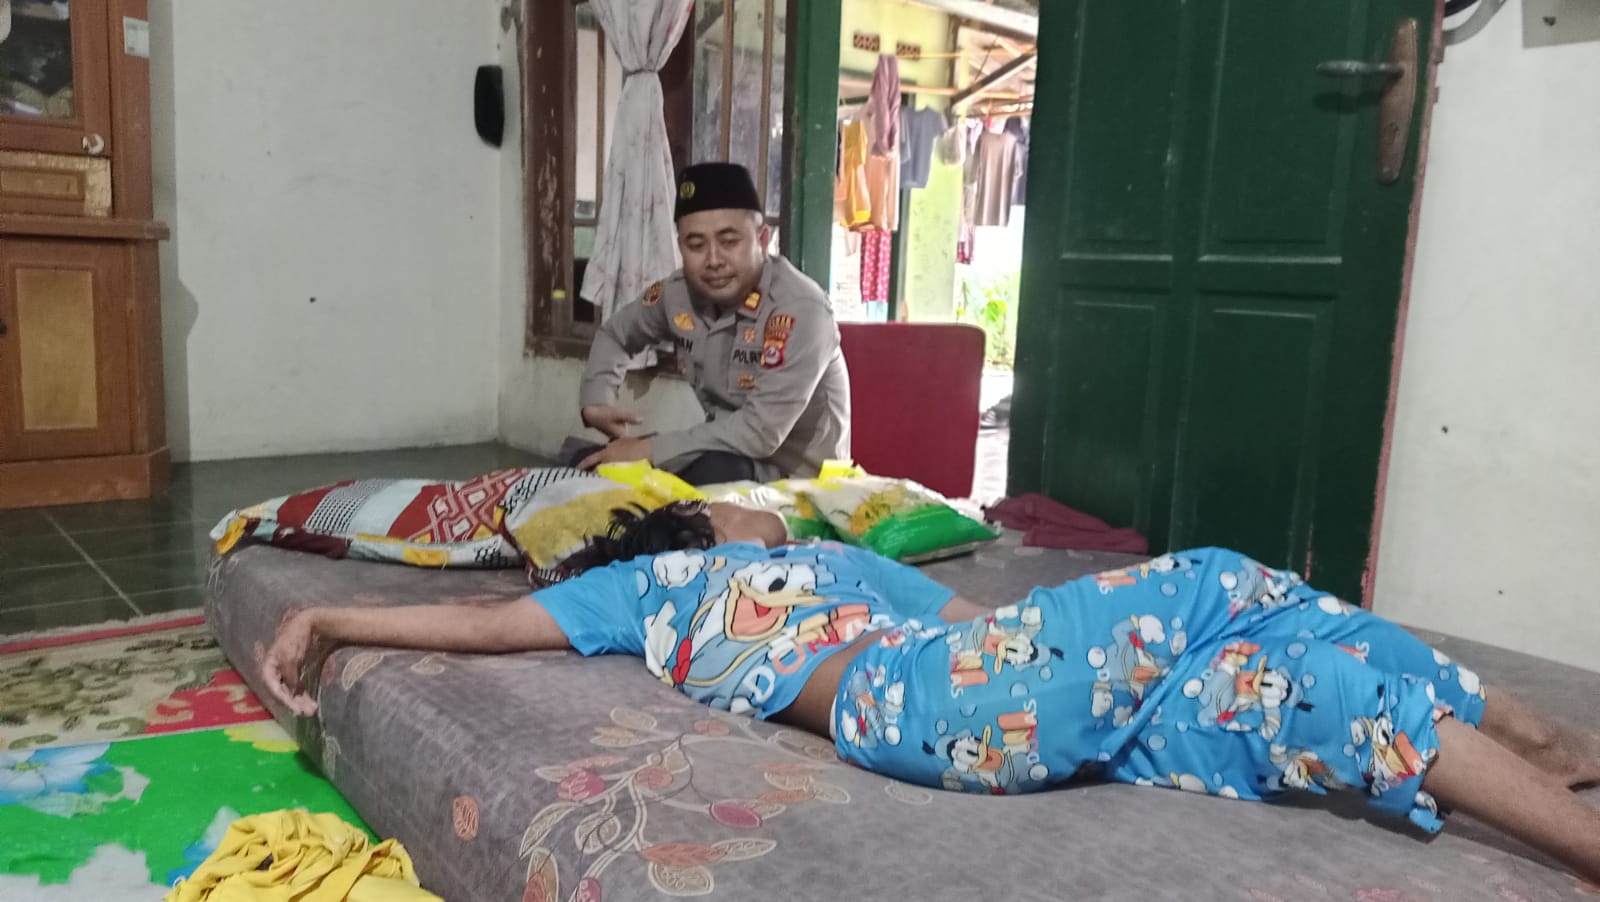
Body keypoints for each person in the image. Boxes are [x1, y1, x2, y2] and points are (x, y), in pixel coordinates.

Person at [263, 503, 1600, 884]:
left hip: (998, 689)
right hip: (909, 707)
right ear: (698, 528)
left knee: (1310, 688)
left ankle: (1570, 817)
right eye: (738, 504)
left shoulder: (844, 560)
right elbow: (485, 622)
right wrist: (331, 613)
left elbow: (989, 627)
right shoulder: (653, 588)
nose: (763, 507)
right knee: (1213, 575)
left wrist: (1131, 654)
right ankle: (1533, 726)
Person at [574, 162, 851, 485]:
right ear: (680, 247)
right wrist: (596, 398)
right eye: (696, 245)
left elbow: (759, 433)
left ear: (762, 240)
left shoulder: (800, 309)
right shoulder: (677, 294)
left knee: (672, 477)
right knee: (591, 465)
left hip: (801, 484)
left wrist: (649, 449)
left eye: (729, 241)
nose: (714, 260)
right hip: (720, 456)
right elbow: (616, 334)